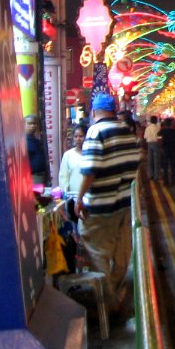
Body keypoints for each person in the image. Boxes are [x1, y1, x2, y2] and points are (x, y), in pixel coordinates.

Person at [75, 92, 140, 317]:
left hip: (101, 207)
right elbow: (135, 164)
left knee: (96, 252)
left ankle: (106, 304)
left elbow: (89, 169)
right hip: (125, 204)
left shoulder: (96, 131)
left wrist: (79, 198)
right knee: (121, 254)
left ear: (94, 112)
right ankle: (114, 297)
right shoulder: (127, 132)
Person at [58, 125, 85, 198]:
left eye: (81, 136)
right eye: (76, 136)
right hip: (73, 195)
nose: (78, 139)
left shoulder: (91, 153)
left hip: (89, 195)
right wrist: (65, 193)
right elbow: (63, 177)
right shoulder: (68, 155)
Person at [25, 114, 48, 186]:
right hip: (32, 178)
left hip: (42, 176)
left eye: (34, 123)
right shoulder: (22, 142)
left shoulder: (37, 140)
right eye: (30, 123)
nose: (32, 126)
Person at [159, 117, 175, 186]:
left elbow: (159, 140)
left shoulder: (161, 132)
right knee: (173, 166)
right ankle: (173, 181)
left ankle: (166, 181)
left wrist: (161, 148)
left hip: (165, 149)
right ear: (171, 124)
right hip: (172, 149)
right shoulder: (174, 131)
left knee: (165, 166)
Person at [143, 116, 161, 181]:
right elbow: (159, 136)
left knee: (150, 159)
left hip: (149, 143)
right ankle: (156, 175)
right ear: (156, 120)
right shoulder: (157, 128)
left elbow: (145, 137)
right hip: (156, 143)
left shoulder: (148, 128)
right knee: (156, 159)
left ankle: (150, 174)